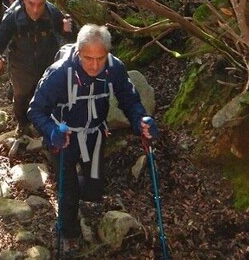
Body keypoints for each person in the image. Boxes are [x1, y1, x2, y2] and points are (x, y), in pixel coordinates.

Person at [27, 24, 158, 253]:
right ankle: (68, 232)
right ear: (78, 52)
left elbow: (129, 100)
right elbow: (35, 110)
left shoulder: (114, 68)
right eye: (88, 58)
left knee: (94, 191)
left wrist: (141, 121)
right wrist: (51, 132)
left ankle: (72, 191)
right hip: (64, 138)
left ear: (107, 53)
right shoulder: (59, 72)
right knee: (67, 194)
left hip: (94, 136)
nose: (95, 65)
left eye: (100, 58)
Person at [0, 0, 74, 136]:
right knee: (21, 96)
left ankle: (45, 127)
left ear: (45, 1)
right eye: (31, 4)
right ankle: (22, 124)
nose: (36, 10)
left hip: (47, 60)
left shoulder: (52, 11)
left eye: (40, 5)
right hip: (20, 63)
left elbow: (72, 35)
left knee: (47, 94)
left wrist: (67, 30)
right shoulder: (13, 15)